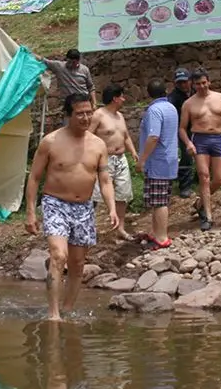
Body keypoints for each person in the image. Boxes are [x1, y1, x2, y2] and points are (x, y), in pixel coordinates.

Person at [25, 93, 119, 321]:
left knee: (77, 264)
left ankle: (66, 310)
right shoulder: (50, 141)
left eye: (89, 112)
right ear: (69, 115)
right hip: (55, 203)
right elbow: (35, 177)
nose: (86, 117)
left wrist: (112, 208)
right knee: (58, 255)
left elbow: (105, 180)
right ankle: (53, 314)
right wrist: (30, 212)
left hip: (84, 207)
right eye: (80, 113)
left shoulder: (98, 145)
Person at [178, 68, 221, 231]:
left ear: (209, 81)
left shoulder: (220, 98)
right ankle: (208, 216)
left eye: (204, 83)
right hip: (200, 139)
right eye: (198, 84)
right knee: (204, 176)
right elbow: (182, 128)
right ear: (193, 85)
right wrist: (189, 143)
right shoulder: (189, 103)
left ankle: (199, 202)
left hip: (217, 138)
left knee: (218, 179)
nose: (202, 86)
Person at [89, 83, 138, 241]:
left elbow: (126, 136)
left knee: (123, 194)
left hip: (121, 158)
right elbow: (88, 136)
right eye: (122, 96)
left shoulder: (120, 116)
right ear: (115, 98)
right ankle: (89, 229)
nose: (124, 99)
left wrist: (134, 152)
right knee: (95, 195)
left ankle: (121, 228)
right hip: (104, 158)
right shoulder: (98, 115)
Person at [136, 79, 180, 250]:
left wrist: (142, 159)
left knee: (160, 201)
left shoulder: (154, 110)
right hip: (169, 159)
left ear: (148, 94)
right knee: (159, 199)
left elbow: (154, 137)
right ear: (166, 91)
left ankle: (162, 237)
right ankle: (155, 232)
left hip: (157, 161)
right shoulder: (171, 108)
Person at [35, 49, 96, 124]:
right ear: (67, 59)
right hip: (69, 104)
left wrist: (94, 103)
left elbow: (91, 87)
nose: (71, 64)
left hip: (83, 102)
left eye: (74, 62)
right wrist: (27, 52)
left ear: (78, 61)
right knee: (68, 126)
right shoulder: (59, 66)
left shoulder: (84, 70)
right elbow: (43, 60)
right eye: (69, 61)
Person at [167, 67, 195, 198]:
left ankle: (200, 180)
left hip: (198, 129)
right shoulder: (173, 98)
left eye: (185, 81)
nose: (183, 85)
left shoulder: (196, 92)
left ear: (190, 81)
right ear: (175, 83)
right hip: (182, 131)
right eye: (180, 83)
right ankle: (185, 187)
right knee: (186, 157)